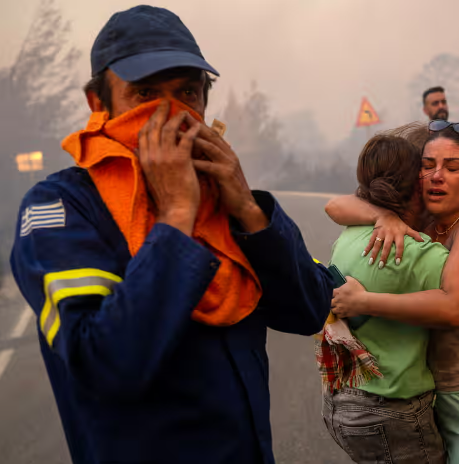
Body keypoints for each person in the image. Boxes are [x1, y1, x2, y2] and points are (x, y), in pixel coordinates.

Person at [9, 6, 332, 464]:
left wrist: (248, 209)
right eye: (144, 94)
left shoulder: (222, 197)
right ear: (97, 104)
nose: (171, 113)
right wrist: (177, 214)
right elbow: (107, 366)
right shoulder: (61, 207)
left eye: (187, 92)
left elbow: (309, 311)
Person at [327, 120, 459, 464]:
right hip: (437, 396)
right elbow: (335, 205)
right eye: (427, 166)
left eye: (452, 167)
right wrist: (383, 216)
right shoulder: (426, 225)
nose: (437, 176)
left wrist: (364, 302)